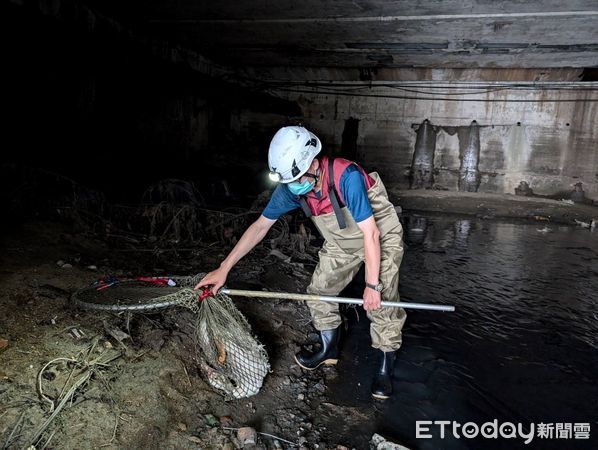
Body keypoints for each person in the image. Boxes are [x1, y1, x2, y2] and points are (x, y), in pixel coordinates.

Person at [195, 125, 406, 399]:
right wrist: (224, 268)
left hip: (380, 236)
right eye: (289, 181)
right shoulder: (291, 189)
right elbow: (260, 227)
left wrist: (372, 285)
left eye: (297, 178)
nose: (294, 186)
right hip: (341, 243)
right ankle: (329, 349)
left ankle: (385, 365)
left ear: (314, 164)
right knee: (320, 292)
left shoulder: (347, 176)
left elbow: (372, 233)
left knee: (383, 300)